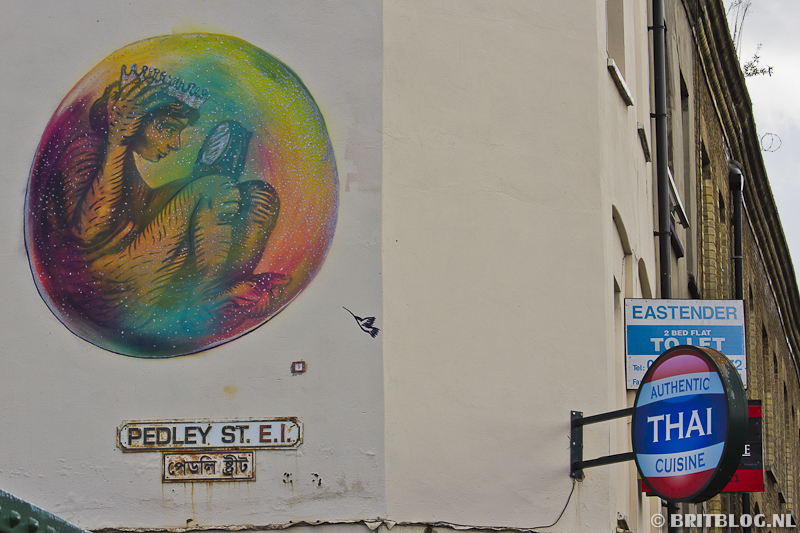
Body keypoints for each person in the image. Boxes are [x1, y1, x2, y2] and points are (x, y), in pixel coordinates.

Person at [42, 65, 289, 351]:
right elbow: (88, 232)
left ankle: (214, 293)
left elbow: (145, 212)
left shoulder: (124, 165)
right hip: (104, 291)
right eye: (166, 129)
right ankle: (205, 302)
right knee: (213, 188)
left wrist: (194, 184)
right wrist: (118, 141)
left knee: (259, 198)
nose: (175, 144)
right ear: (131, 121)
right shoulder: (86, 151)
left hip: (138, 275)